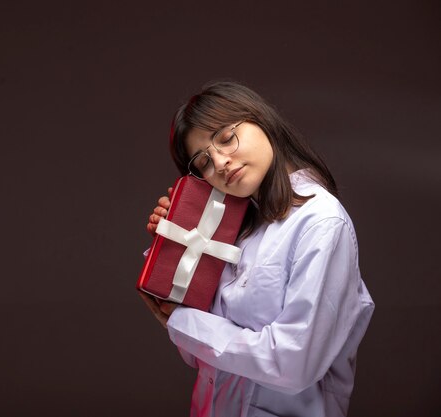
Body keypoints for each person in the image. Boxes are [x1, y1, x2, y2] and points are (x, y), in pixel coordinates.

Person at [139, 80, 374, 417]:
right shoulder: (236, 230)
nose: (219, 163)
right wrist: (172, 243)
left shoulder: (321, 222)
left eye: (225, 137)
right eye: (203, 162)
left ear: (261, 120)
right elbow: (198, 357)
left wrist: (182, 322)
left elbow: (293, 363)